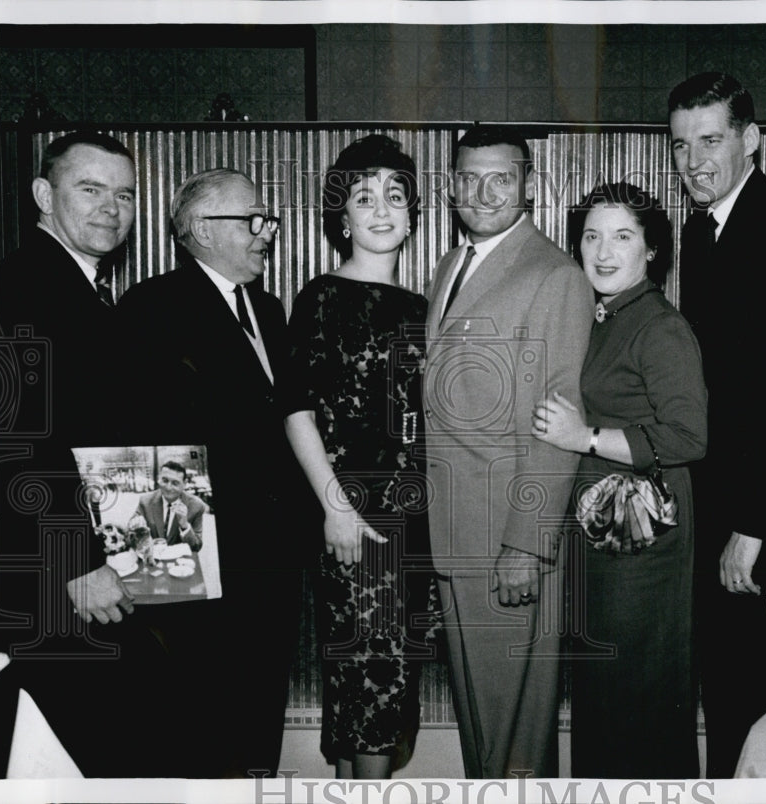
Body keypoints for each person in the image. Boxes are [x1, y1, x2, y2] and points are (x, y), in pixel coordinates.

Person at [0, 131, 176, 777]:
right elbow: (16, 444)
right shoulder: (18, 290)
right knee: (135, 755)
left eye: (124, 194)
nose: (111, 207)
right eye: (90, 189)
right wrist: (77, 563)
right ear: (44, 194)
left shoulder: (81, 290)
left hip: (89, 572)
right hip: (54, 581)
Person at [117, 168, 308, 777]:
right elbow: (134, 442)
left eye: (267, 219)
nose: (266, 231)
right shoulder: (152, 307)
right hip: (193, 564)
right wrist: (158, 576)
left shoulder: (269, 310)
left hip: (271, 560)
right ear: (201, 230)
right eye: (252, 220)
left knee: (257, 722)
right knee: (196, 726)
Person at [423, 124, 593, 779]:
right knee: (485, 726)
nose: (483, 191)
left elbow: (558, 421)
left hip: (505, 537)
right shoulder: (455, 262)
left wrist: (526, 542)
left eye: (501, 178)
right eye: (468, 177)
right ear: (450, 185)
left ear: (529, 184)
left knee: (510, 733)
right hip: (459, 529)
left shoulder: (553, 275)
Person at [668, 72, 766, 776]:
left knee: (764, 706)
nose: (695, 161)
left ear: (751, 140)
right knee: (728, 695)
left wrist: (760, 525)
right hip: (721, 500)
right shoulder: (703, 229)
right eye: (681, 145)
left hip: (759, 515)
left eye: (711, 140)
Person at [532, 182, 707, 779]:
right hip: (603, 532)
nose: (604, 251)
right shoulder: (600, 315)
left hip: (643, 535)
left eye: (624, 236)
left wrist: (582, 438)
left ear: (653, 248)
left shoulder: (660, 326)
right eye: (591, 236)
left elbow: (688, 437)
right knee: (606, 688)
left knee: (635, 689)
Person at [282, 134, 436, 780]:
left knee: (382, 679)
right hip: (353, 518)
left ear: (413, 212)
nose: (380, 210)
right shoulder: (322, 298)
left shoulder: (425, 309)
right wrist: (335, 508)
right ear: (340, 216)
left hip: (410, 519)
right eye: (363, 197)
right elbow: (296, 410)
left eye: (395, 196)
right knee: (373, 676)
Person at [135, 460, 206, 550]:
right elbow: (129, 536)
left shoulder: (197, 506)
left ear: (185, 484)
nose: (168, 487)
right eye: (165, 480)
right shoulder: (145, 501)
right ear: (159, 479)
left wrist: (185, 526)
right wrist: (136, 529)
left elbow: (196, 547)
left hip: (181, 562)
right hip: (152, 558)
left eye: (175, 483)